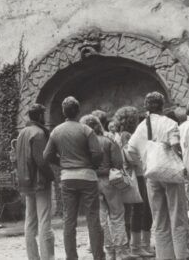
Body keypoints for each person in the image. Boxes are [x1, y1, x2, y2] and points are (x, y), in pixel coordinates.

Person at [128, 92, 189, 260]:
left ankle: (164, 257)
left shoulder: (141, 127)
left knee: (160, 220)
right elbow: (176, 147)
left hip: (152, 175)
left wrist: (143, 163)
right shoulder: (169, 123)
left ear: (146, 107)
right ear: (162, 105)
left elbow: (130, 150)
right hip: (171, 174)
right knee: (177, 218)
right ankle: (180, 256)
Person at [43, 96, 103, 260]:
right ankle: (98, 256)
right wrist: (93, 164)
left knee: (69, 220)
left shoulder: (56, 131)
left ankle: (71, 257)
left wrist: (62, 163)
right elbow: (97, 153)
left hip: (67, 177)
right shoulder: (86, 130)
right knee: (93, 219)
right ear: (78, 111)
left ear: (64, 112)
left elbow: (47, 155)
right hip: (87, 176)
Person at [82, 113, 133, 260]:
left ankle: (109, 251)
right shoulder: (108, 141)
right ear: (99, 126)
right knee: (117, 216)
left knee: (101, 218)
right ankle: (122, 251)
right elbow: (118, 163)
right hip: (110, 181)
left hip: (91, 182)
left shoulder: (84, 145)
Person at [15, 103, 55, 260]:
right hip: (40, 181)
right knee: (44, 220)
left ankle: (33, 257)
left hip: (26, 181)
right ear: (39, 116)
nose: (44, 117)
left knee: (30, 221)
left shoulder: (22, 133)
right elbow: (42, 160)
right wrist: (51, 176)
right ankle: (48, 257)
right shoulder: (38, 133)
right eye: (43, 114)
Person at [114, 106, 154, 258]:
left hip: (128, 175)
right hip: (135, 175)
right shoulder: (127, 135)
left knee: (133, 210)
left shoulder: (119, 134)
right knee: (140, 209)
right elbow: (130, 155)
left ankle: (135, 245)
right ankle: (137, 247)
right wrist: (142, 159)